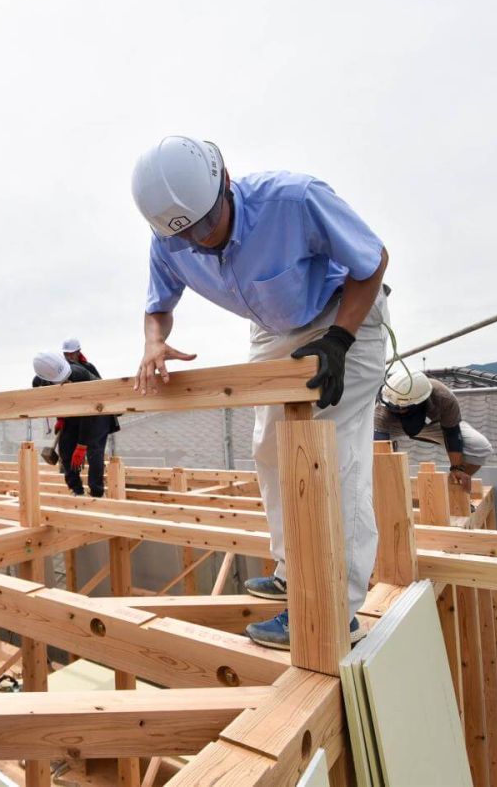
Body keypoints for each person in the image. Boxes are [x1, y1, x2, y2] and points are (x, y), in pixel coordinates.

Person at [131, 136, 390, 650]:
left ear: (226, 182)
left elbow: (372, 260)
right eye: (190, 235)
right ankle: (295, 572)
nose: (203, 241)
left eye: (208, 224)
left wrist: (339, 340)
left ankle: (334, 607)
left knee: (333, 456)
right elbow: (158, 303)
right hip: (272, 328)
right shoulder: (171, 238)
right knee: (270, 450)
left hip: (344, 314)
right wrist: (153, 341)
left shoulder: (293, 200)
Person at [374, 370, 493, 489]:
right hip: (392, 426)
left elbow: (452, 431)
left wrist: (457, 468)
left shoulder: (442, 396)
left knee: (480, 446)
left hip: (432, 423)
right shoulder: (384, 408)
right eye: (395, 407)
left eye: (402, 408)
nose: (398, 410)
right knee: (365, 449)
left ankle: (452, 489)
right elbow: (379, 447)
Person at [32, 351, 116, 498]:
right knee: (65, 449)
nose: (66, 380)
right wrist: (60, 418)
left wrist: (82, 444)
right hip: (73, 412)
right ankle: (76, 489)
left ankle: (96, 493)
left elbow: (88, 414)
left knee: (94, 450)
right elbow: (53, 401)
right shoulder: (39, 382)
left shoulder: (80, 375)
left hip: (97, 411)